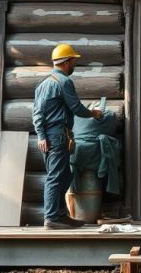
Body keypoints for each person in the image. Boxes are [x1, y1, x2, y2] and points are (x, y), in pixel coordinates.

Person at [32, 43, 104, 229]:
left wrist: (41, 135)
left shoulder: (44, 84)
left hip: (51, 136)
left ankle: (61, 214)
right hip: (57, 137)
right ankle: (51, 218)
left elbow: (37, 113)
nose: (74, 64)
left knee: (65, 175)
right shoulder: (64, 82)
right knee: (56, 177)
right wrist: (94, 113)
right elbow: (77, 108)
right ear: (66, 62)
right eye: (73, 61)